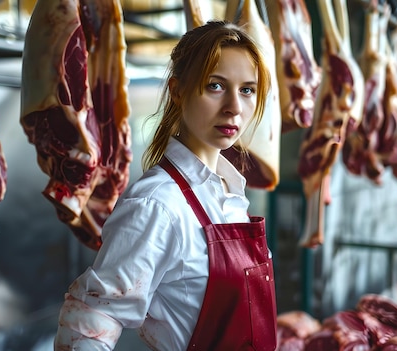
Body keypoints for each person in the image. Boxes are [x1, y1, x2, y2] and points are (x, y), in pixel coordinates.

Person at [54, 20, 277, 351]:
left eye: (247, 90)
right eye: (216, 86)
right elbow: (87, 328)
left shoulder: (230, 195)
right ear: (177, 91)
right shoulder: (157, 203)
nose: (234, 107)